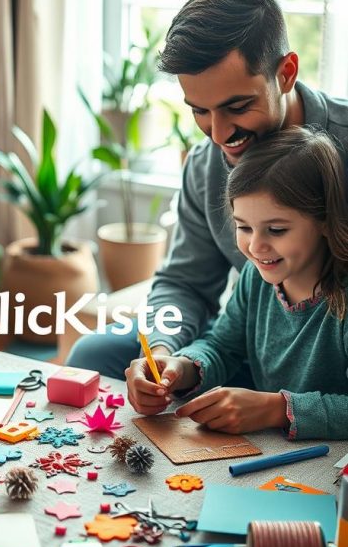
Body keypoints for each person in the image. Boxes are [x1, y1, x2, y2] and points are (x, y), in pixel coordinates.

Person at [65, 0, 348, 393]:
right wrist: (163, 352)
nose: (218, 134)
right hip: (246, 343)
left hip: (330, 360)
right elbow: (186, 283)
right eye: (200, 111)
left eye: (237, 107)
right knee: (93, 355)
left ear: (285, 73)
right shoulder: (205, 164)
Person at [135, 126, 348, 440]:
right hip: (273, 447)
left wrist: (275, 408)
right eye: (244, 227)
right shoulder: (257, 276)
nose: (256, 246)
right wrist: (181, 368)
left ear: (326, 222)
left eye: (276, 230)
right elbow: (222, 347)